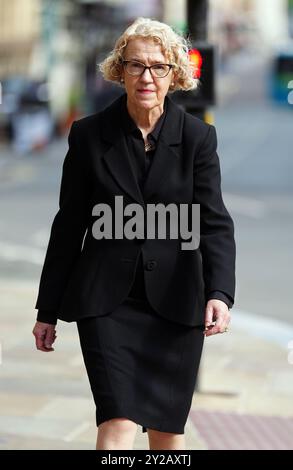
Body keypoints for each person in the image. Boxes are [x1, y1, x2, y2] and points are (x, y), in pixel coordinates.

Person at [32, 17, 236, 450]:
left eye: (158, 67)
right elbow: (69, 225)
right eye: (136, 65)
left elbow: (213, 221)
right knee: (117, 421)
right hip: (107, 303)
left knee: (167, 434)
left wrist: (220, 293)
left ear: (175, 74)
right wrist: (47, 309)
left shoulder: (199, 139)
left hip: (177, 304)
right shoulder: (89, 136)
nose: (147, 77)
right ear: (119, 71)